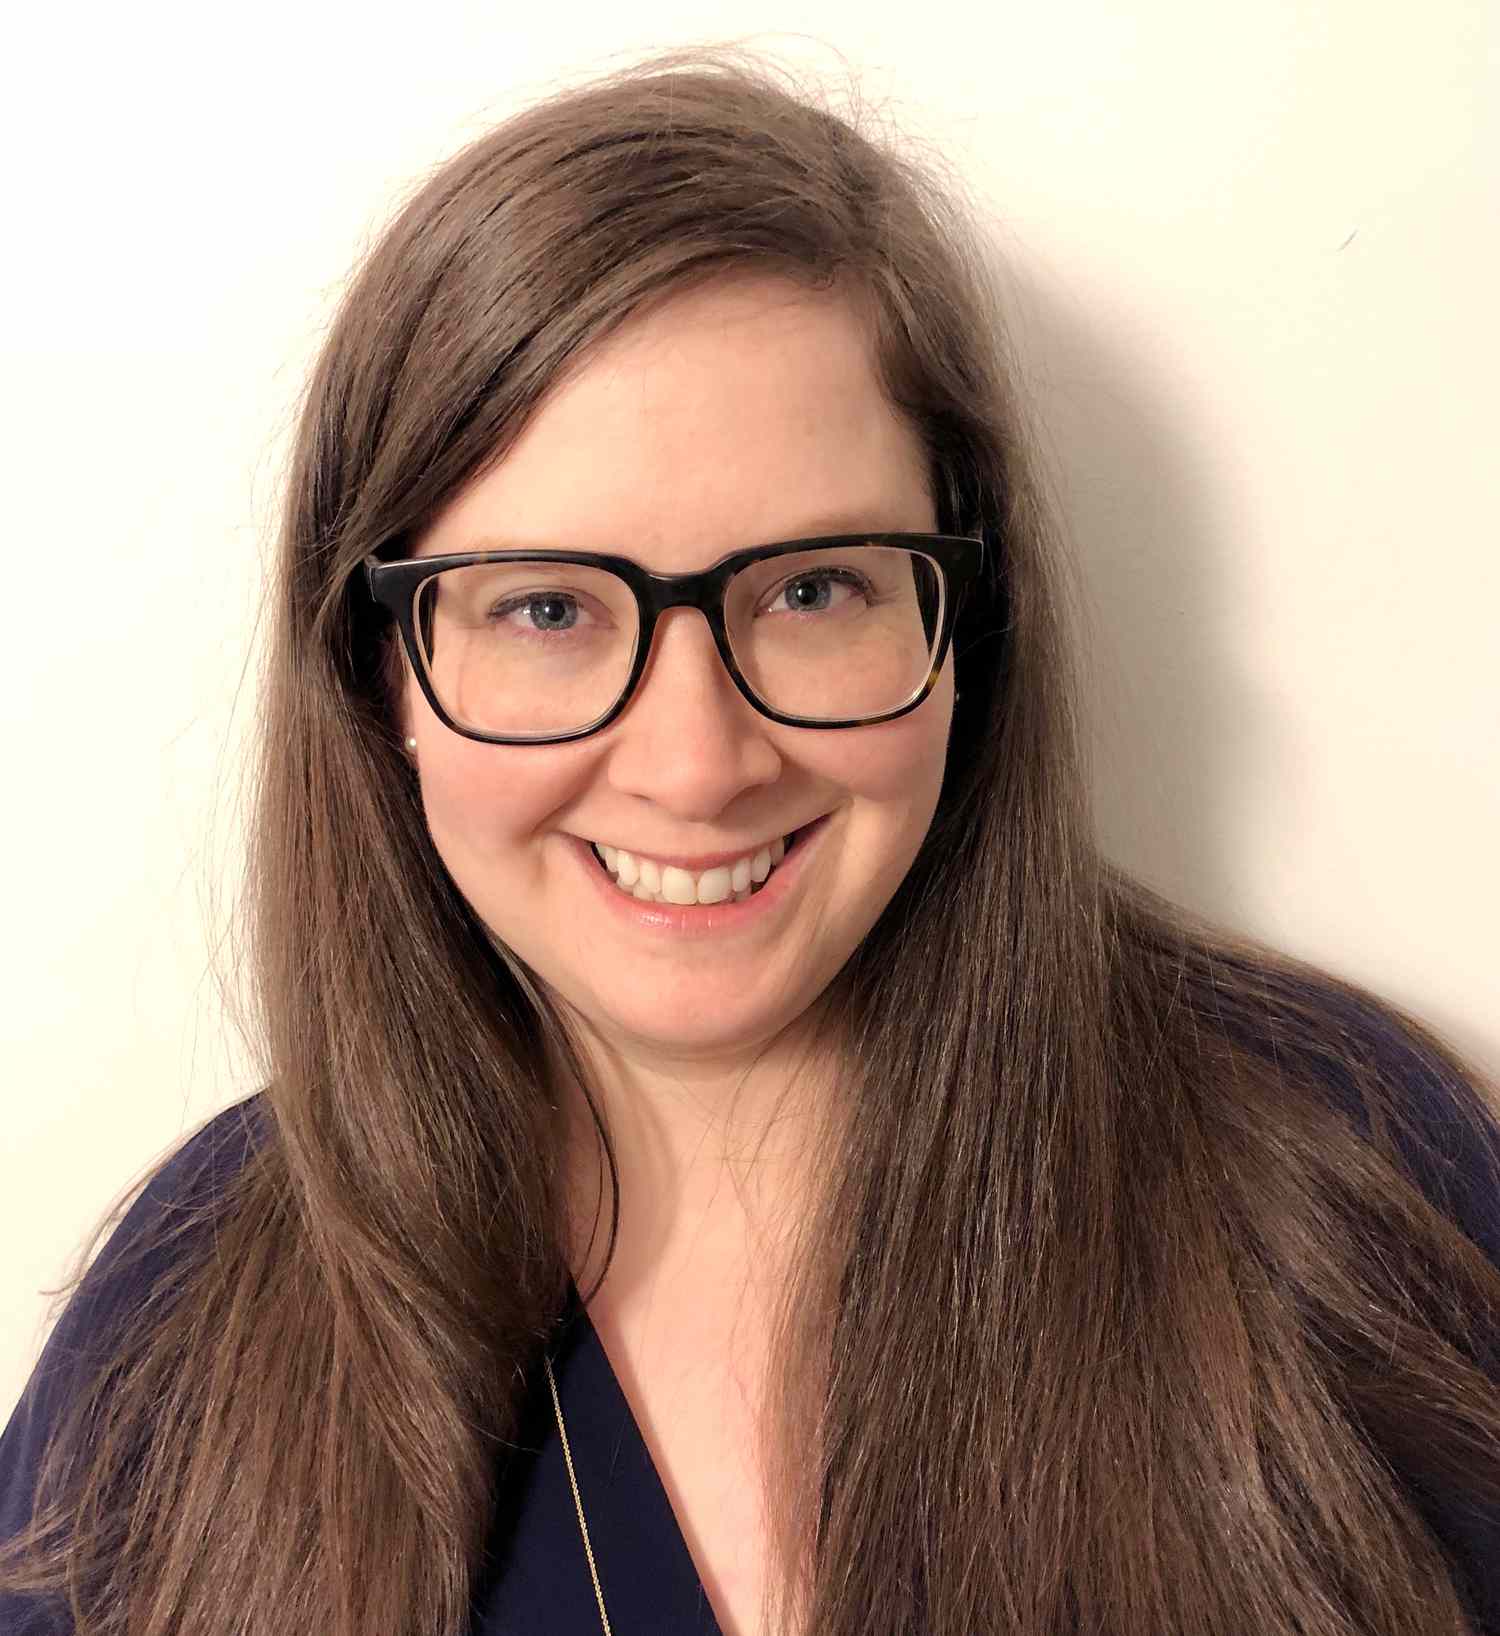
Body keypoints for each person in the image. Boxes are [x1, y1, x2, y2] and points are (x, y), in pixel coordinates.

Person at [2, 42, 1498, 1636]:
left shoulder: (1342, 1179)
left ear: (965, 624)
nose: (697, 764)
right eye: (547, 609)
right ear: (384, 678)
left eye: (809, 591)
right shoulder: (186, 1329)